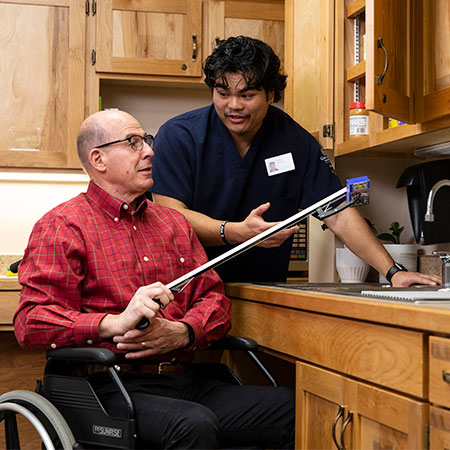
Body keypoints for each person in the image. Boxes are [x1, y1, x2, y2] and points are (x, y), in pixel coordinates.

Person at [13, 110, 295, 449]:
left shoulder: (173, 224)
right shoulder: (62, 226)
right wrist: (113, 324)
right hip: (107, 388)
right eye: (133, 143)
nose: (149, 151)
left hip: (183, 382)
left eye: (146, 141)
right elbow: (31, 322)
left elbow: (214, 301)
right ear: (98, 159)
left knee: (292, 409)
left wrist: (185, 331)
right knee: (193, 426)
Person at [150, 35, 440, 287]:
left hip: (265, 289)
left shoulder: (295, 142)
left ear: (271, 94)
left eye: (247, 95)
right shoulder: (179, 136)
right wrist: (236, 232)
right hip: (190, 288)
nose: (233, 105)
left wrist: (392, 272)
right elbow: (171, 217)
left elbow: (337, 212)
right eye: (223, 93)